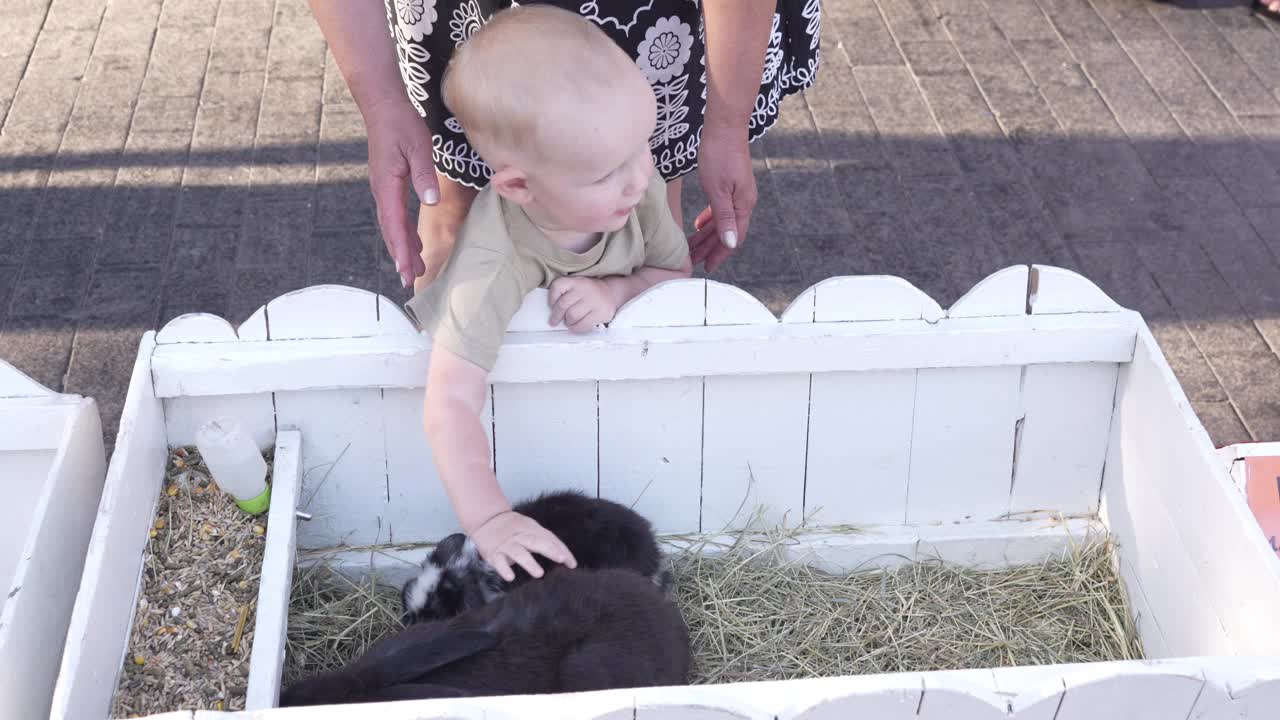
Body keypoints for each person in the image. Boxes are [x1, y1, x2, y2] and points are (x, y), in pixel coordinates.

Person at [404, 6, 696, 581]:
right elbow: (450, 401)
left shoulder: (636, 186)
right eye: (606, 172)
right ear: (518, 186)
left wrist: (620, 289)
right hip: (533, 435)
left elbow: (677, 276)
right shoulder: (491, 266)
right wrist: (490, 520)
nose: (640, 178)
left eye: (642, 145)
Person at [308, 0, 821, 291]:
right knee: (454, 207)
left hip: (637, 14)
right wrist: (381, 104)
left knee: (646, 199)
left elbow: (665, 262)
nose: (637, 178)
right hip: (465, 15)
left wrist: (726, 125)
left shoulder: (638, 173)